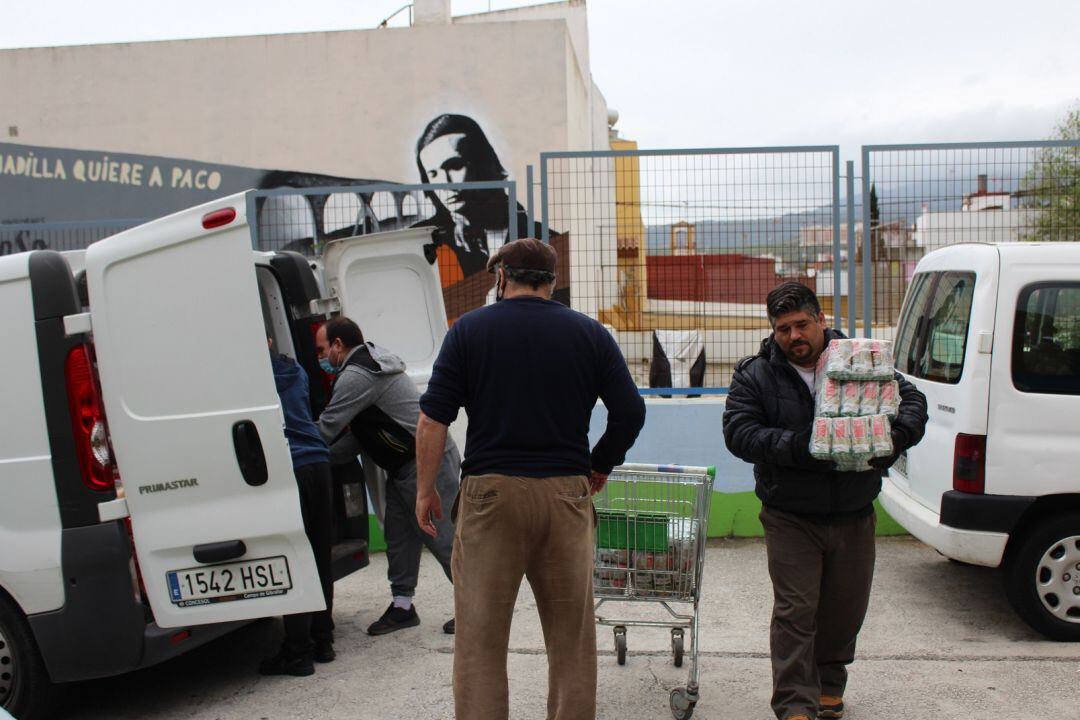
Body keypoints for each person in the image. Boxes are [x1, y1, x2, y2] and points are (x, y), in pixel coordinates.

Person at [413, 238, 646, 720]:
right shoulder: (591, 334)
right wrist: (598, 464)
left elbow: (431, 420)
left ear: (501, 277)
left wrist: (424, 489)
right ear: (553, 282)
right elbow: (630, 411)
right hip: (565, 493)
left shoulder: (468, 331)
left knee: (479, 637)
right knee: (571, 639)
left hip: (490, 495)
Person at [723, 282, 928, 720]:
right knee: (797, 609)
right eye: (783, 329)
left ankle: (830, 686)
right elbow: (739, 432)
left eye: (801, 325)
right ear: (773, 331)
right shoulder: (755, 374)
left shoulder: (860, 359)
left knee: (845, 606)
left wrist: (893, 438)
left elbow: (911, 399)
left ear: (820, 319)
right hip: (790, 513)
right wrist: (802, 446)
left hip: (854, 509)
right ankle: (795, 703)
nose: (794, 336)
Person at [314, 316, 460, 635]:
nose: (321, 358)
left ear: (339, 345)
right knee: (399, 537)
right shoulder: (368, 365)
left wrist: (298, 453)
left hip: (425, 463)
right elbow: (361, 436)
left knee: (442, 536)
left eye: (322, 350)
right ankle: (403, 606)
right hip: (403, 466)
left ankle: (476, 609)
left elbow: (327, 428)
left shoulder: (355, 376)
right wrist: (323, 458)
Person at [259, 340, 336, 677]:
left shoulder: (253, 378)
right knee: (319, 554)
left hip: (291, 467)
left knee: (293, 558)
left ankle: (297, 652)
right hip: (319, 462)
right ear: (271, 343)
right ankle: (323, 640)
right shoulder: (295, 369)